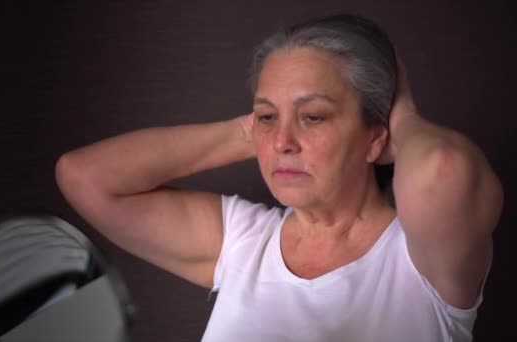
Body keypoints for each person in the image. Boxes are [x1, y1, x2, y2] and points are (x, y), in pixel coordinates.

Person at [55, 14, 503, 342]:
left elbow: (445, 168)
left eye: (313, 116)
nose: (283, 141)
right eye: (266, 115)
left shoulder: (420, 261)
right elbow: (85, 177)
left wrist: (402, 113)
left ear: (375, 139)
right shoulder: (245, 242)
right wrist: (252, 132)